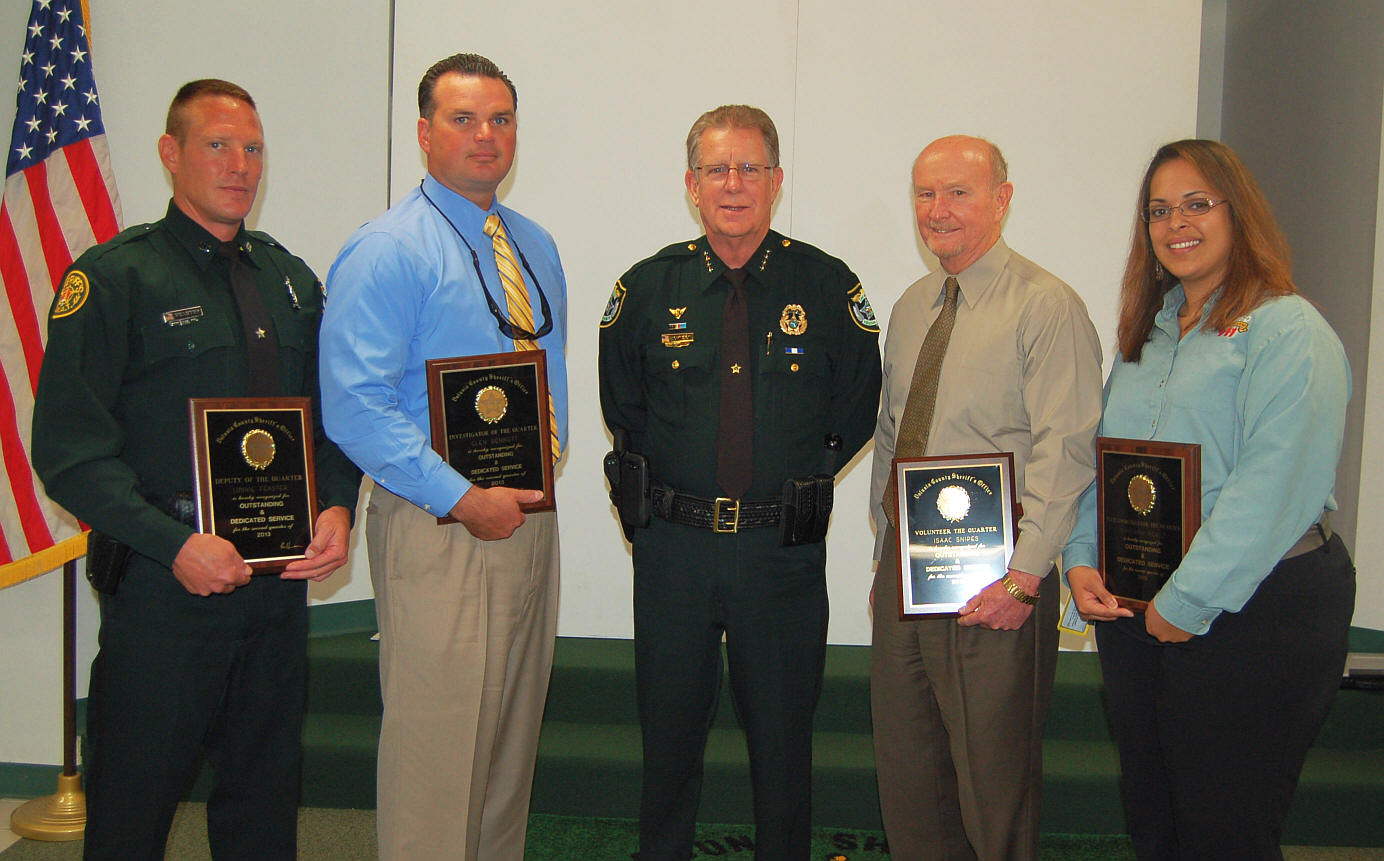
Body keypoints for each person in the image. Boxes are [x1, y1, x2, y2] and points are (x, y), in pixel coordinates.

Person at [30, 79, 361, 860]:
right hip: (163, 584)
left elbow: (329, 420)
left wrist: (338, 505)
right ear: (170, 154)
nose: (239, 164)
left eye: (252, 148)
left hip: (274, 589)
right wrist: (173, 543)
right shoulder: (116, 278)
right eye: (217, 144)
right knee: (133, 804)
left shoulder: (289, 280)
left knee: (263, 801)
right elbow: (69, 451)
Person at [598, 104, 881, 860]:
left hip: (778, 551)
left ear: (776, 181)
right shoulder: (645, 288)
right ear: (691, 184)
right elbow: (624, 409)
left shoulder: (826, 285)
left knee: (784, 742)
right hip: (675, 549)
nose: (733, 184)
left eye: (750, 168)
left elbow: (856, 405)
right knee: (667, 736)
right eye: (717, 169)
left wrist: (804, 476)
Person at [1063, 139, 1355, 860]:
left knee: (1226, 830)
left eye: (1197, 204)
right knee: (1157, 821)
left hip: (1258, 608)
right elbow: (1109, 462)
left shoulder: (1289, 330)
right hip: (1141, 606)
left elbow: (1275, 487)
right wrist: (1082, 558)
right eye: (1159, 210)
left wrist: (1186, 601)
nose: (1176, 223)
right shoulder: (1149, 334)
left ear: (1238, 212)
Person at [318, 53, 567, 861]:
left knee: (504, 758)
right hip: (439, 525)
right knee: (437, 759)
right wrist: (461, 496)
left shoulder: (534, 245)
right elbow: (355, 405)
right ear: (425, 133)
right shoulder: (387, 249)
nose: (485, 135)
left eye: (500, 119)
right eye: (463, 119)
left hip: (528, 520)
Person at [868, 135, 1102, 859]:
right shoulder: (912, 307)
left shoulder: (1047, 306)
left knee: (992, 787)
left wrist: (1025, 578)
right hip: (910, 575)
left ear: (1001, 200)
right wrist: (884, 558)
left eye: (958, 192)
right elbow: (891, 435)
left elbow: (1067, 448)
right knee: (910, 776)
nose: (937, 210)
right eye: (925, 193)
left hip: (999, 579)